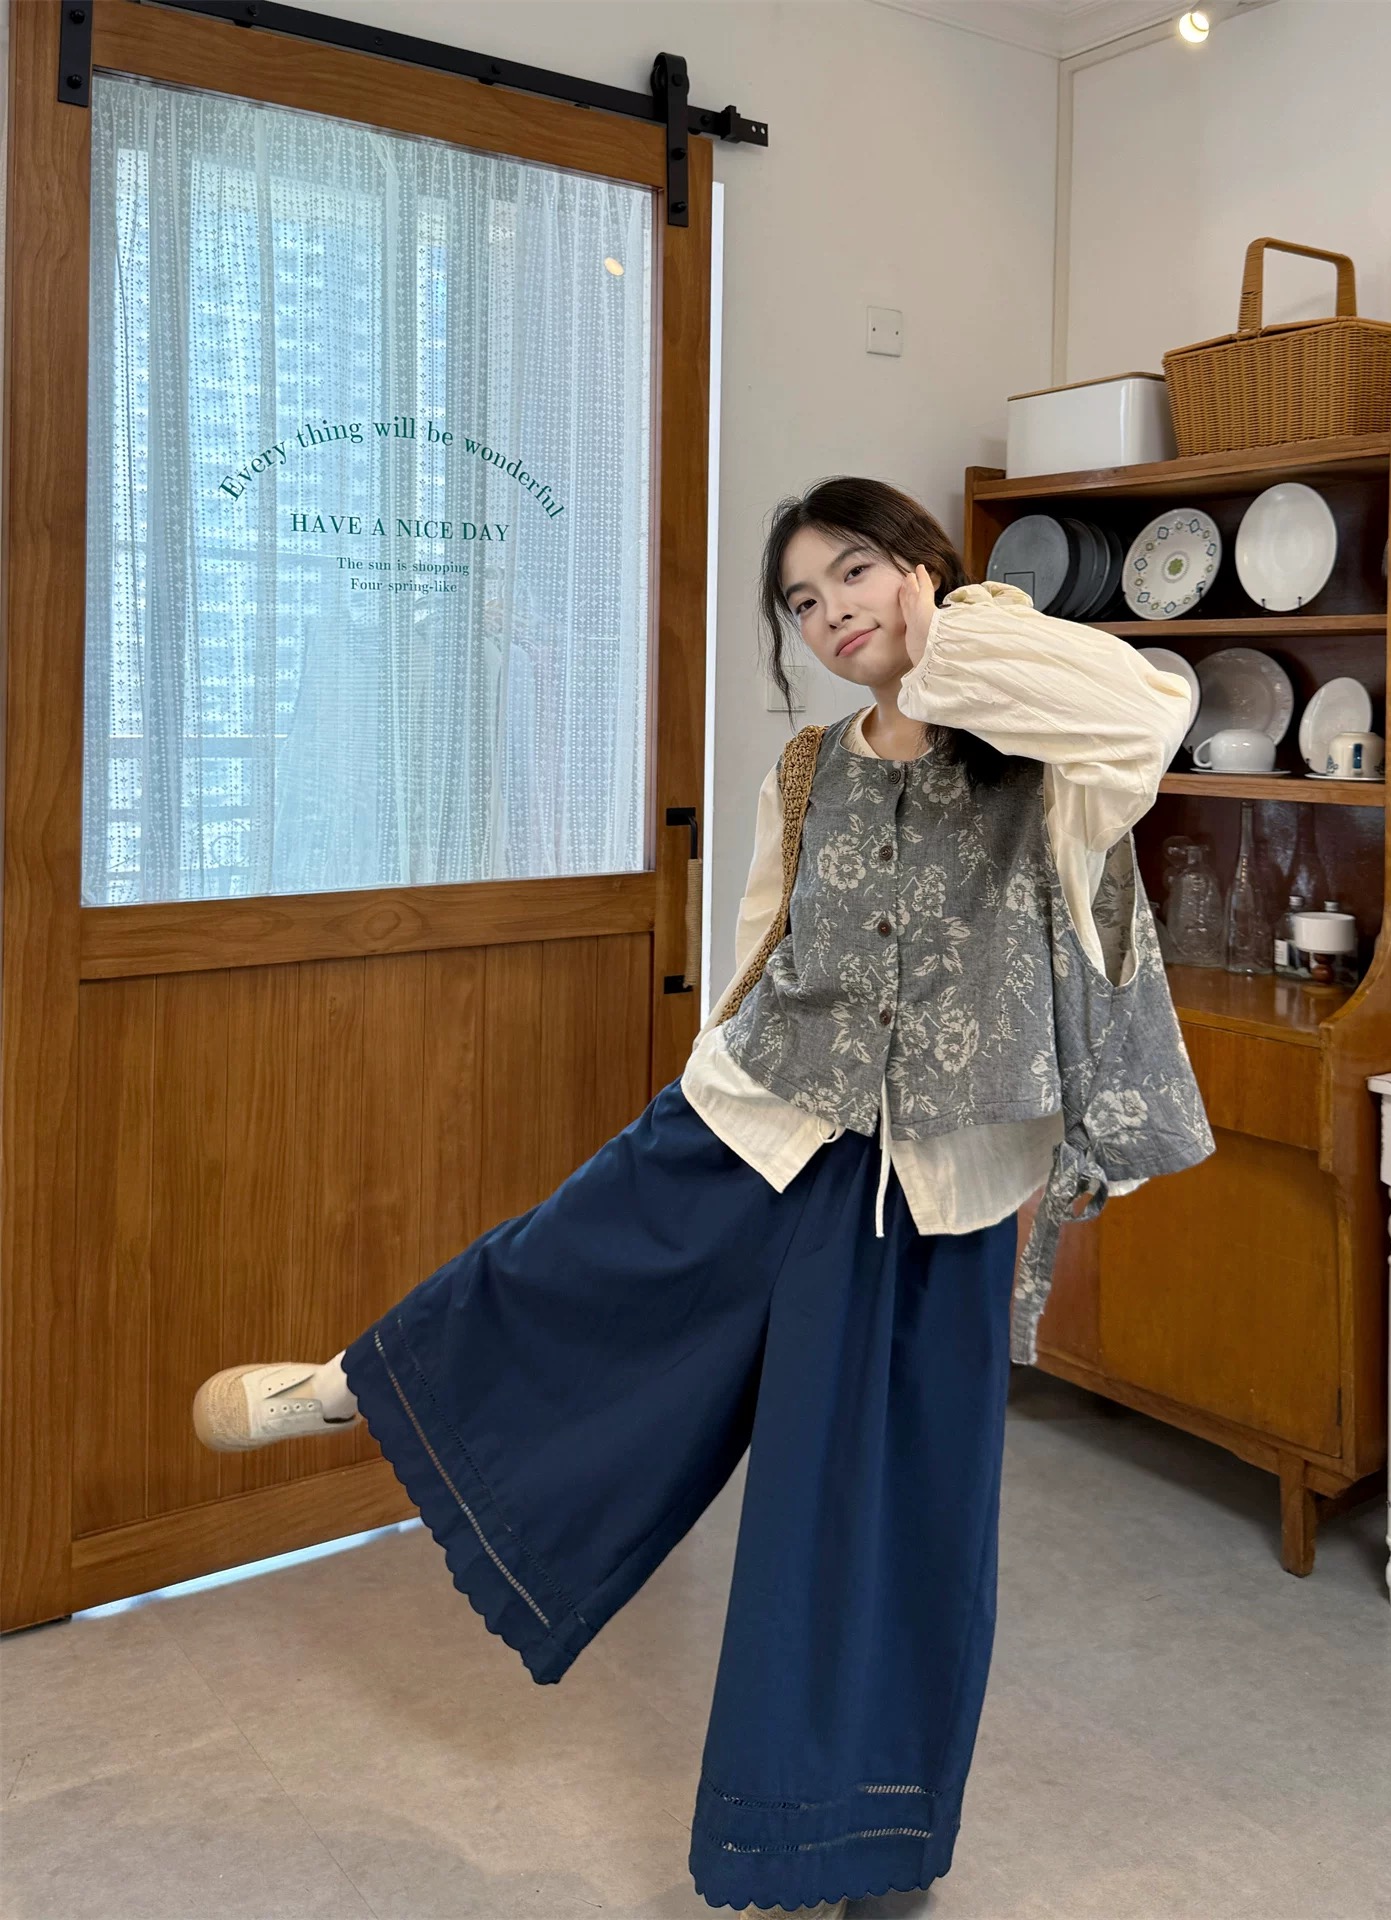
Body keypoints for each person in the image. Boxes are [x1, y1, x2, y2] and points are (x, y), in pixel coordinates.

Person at [193, 476, 1213, 1920]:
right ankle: (366, 1381)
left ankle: (872, 1853)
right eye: (801, 601)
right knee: (567, 1269)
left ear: (925, 567)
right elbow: (753, 951)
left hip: (935, 1189)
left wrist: (951, 633)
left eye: (854, 572)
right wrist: (700, 1103)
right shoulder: (806, 768)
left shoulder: (1050, 760)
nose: (830, 613)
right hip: (760, 1126)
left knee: (881, 1518)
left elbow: (1150, 713)